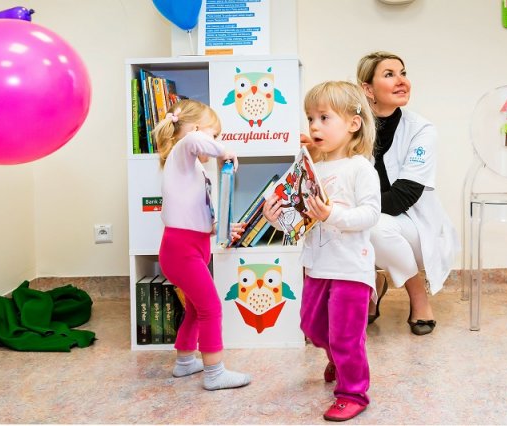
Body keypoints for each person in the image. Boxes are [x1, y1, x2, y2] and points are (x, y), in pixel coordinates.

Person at [263, 81, 380, 422]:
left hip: (350, 268)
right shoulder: (311, 169)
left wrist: (332, 215)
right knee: (312, 327)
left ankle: (353, 392)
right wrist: (276, 219)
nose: (314, 126)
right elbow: (299, 220)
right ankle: (338, 359)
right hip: (316, 266)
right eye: (310, 118)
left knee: (346, 336)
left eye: (324, 118)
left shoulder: (360, 168)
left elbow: (371, 214)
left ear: (353, 124)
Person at [356, 51, 460, 335]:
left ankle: (417, 294)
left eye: (403, 73)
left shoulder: (421, 130)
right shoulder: (353, 127)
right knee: (345, 225)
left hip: (415, 229)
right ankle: (373, 284)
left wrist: (353, 211)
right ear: (368, 89)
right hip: (370, 223)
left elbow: (401, 199)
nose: (402, 81)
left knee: (373, 226)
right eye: (389, 74)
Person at [154, 99, 251, 391]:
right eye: (215, 134)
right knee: (211, 308)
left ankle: (185, 362)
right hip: (181, 250)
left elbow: (194, 214)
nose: (217, 141)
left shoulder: (195, 168)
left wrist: (220, 227)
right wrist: (224, 151)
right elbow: (195, 140)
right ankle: (214, 373)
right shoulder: (182, 151)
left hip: (191, 246)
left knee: (197, 309)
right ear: (197, 129)